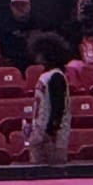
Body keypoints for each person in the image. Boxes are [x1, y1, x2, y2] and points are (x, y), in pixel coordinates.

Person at [25, 34, 71, 167]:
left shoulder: (56, 76)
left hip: (51, 136)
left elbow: (59, 107)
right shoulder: (45, 76)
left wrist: (51, 131)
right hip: (40, 132)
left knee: (54, 172)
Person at [0, 0, 40, 72]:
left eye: (22, 5)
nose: (20, 8)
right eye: (16, 6)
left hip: (35, 63)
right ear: (11, 7)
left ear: (29, 5)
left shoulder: (39, 24)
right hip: (13, 65)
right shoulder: (4, 27)